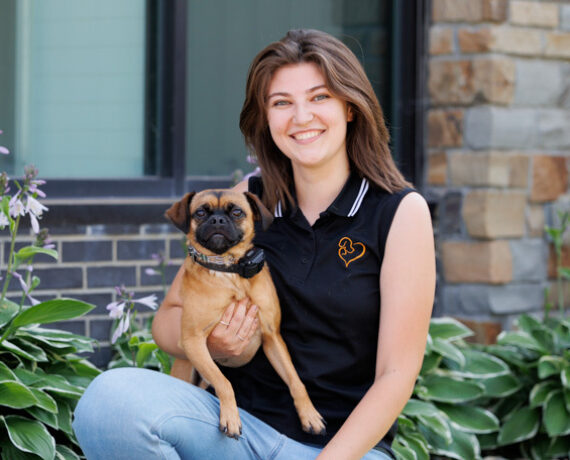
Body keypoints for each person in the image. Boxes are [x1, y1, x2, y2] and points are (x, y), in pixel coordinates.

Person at [73, 29, 435, 460]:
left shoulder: (399, 213)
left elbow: (396, 373)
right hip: (235, 433)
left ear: (351, 106)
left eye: (319, 97)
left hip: (342, 449)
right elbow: (168, 321)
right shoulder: (244, 205)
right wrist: (214, 344)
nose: (301, 117)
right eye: (282, 103)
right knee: (108, 401)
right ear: (265, 117)